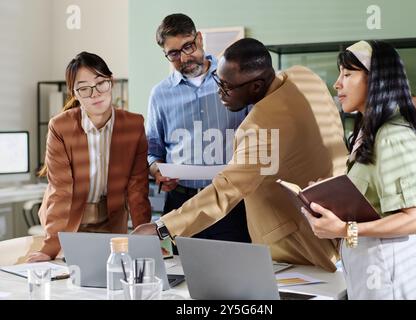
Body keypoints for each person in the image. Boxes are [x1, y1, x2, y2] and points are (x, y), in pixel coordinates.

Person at [134, 38, 348, 272]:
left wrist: (162, 228)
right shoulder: (302, 76)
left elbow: (226, 190)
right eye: (218, 80)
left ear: (256, 86)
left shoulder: (260, 128)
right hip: (333, 220)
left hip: (294, 244)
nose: (219, 92)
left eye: (226, 86)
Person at [302, 40, 416, 299]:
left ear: (375, 80)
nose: (337, 83)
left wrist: (344, 229)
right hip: (371, 271)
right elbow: (371, 202)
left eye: (348, 74)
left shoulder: (393, 134)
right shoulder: (367, 131)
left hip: (391, 277)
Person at [27, 52, 151, 262]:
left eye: (101, 83)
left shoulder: (133, 125)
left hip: (110, 219)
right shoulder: (60, 127)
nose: (95, 94)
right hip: (67, 222)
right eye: (84, 88)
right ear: (74, 93)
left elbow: (137, 189)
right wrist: (49, 249)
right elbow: (61, 192)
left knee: (109, 278)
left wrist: (146, 243)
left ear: (111, 82)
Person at [146, 13, 250, 244]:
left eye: (188, 46)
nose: (184, 57)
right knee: (184, 275)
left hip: (230, 203)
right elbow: (152, 148)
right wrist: (157, 171)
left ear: (200, 39)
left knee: (235, 273)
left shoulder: (234, 81)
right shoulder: (159, 94)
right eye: (173, 53)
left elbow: (255, 137)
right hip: (180, 204)